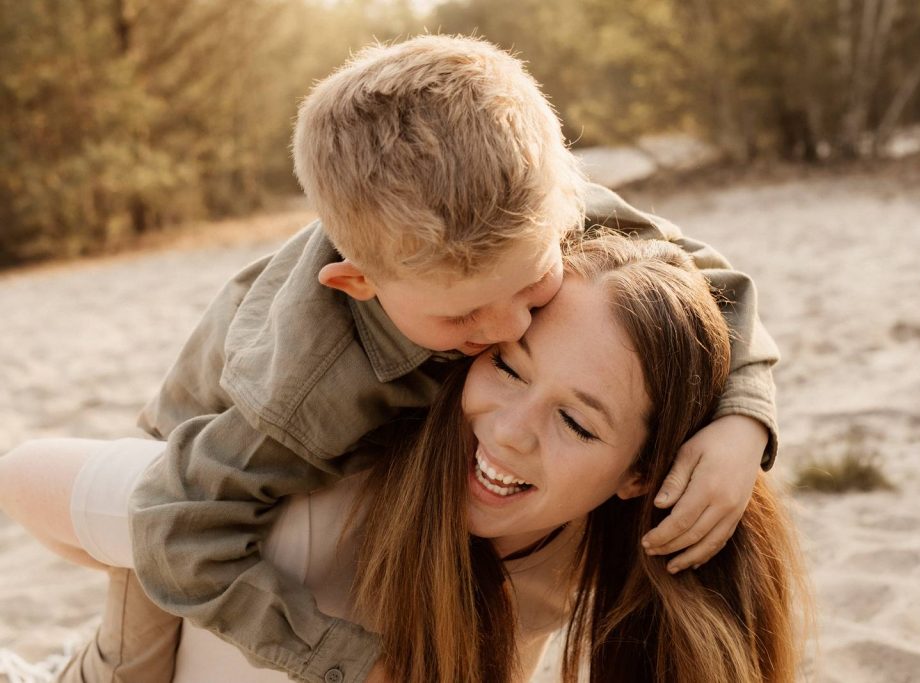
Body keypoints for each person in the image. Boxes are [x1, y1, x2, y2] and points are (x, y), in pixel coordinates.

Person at [15, 34, 781, 682]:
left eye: (533, 287)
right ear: (360, 284)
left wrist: (743, 419)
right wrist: (344, 659)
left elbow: (706, 279)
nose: (511, 321)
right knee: (133, 659)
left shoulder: (522, 210)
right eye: (486, 338)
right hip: (198, 460)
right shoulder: (301, 404)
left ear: (564, 208)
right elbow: (173, 527)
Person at [0, 233, 806, 683]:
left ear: (638, 473)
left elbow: (699, 284)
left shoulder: (595, 549)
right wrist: (149, 567)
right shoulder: (315, 494)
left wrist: (742, 417)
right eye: (508, 367)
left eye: (576, 423)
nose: (511, 431)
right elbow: (22, 472)